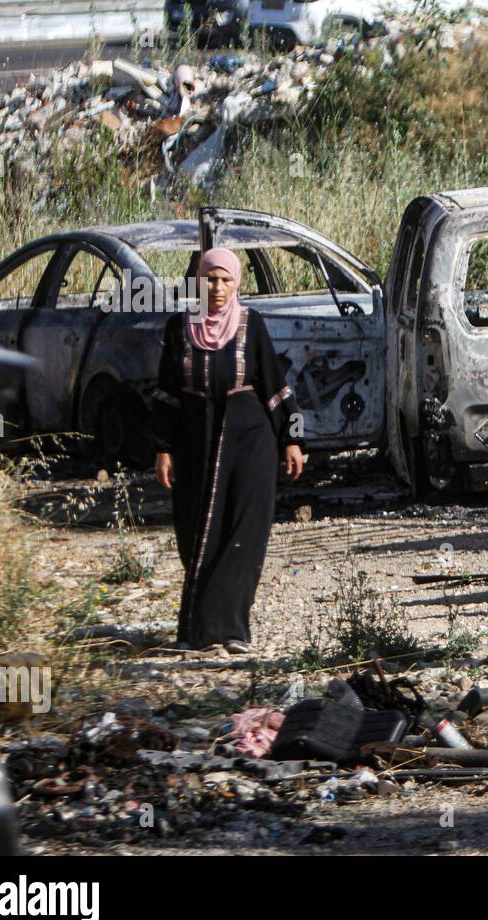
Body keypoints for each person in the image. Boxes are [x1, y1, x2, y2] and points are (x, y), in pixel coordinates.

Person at [151, 247, 306, 653]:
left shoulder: (251, 325)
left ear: (237, 283)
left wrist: (294, 439)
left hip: (250, 442)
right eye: (210, 279)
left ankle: (231, 629)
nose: (217, 288)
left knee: (243, 532)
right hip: (195, 441)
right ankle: (196, 630)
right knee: (196, 529)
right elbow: (166, 395)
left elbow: (277, 387)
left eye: (225, 280)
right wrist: (163, 449)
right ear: (198, 281)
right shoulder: (178, 328)